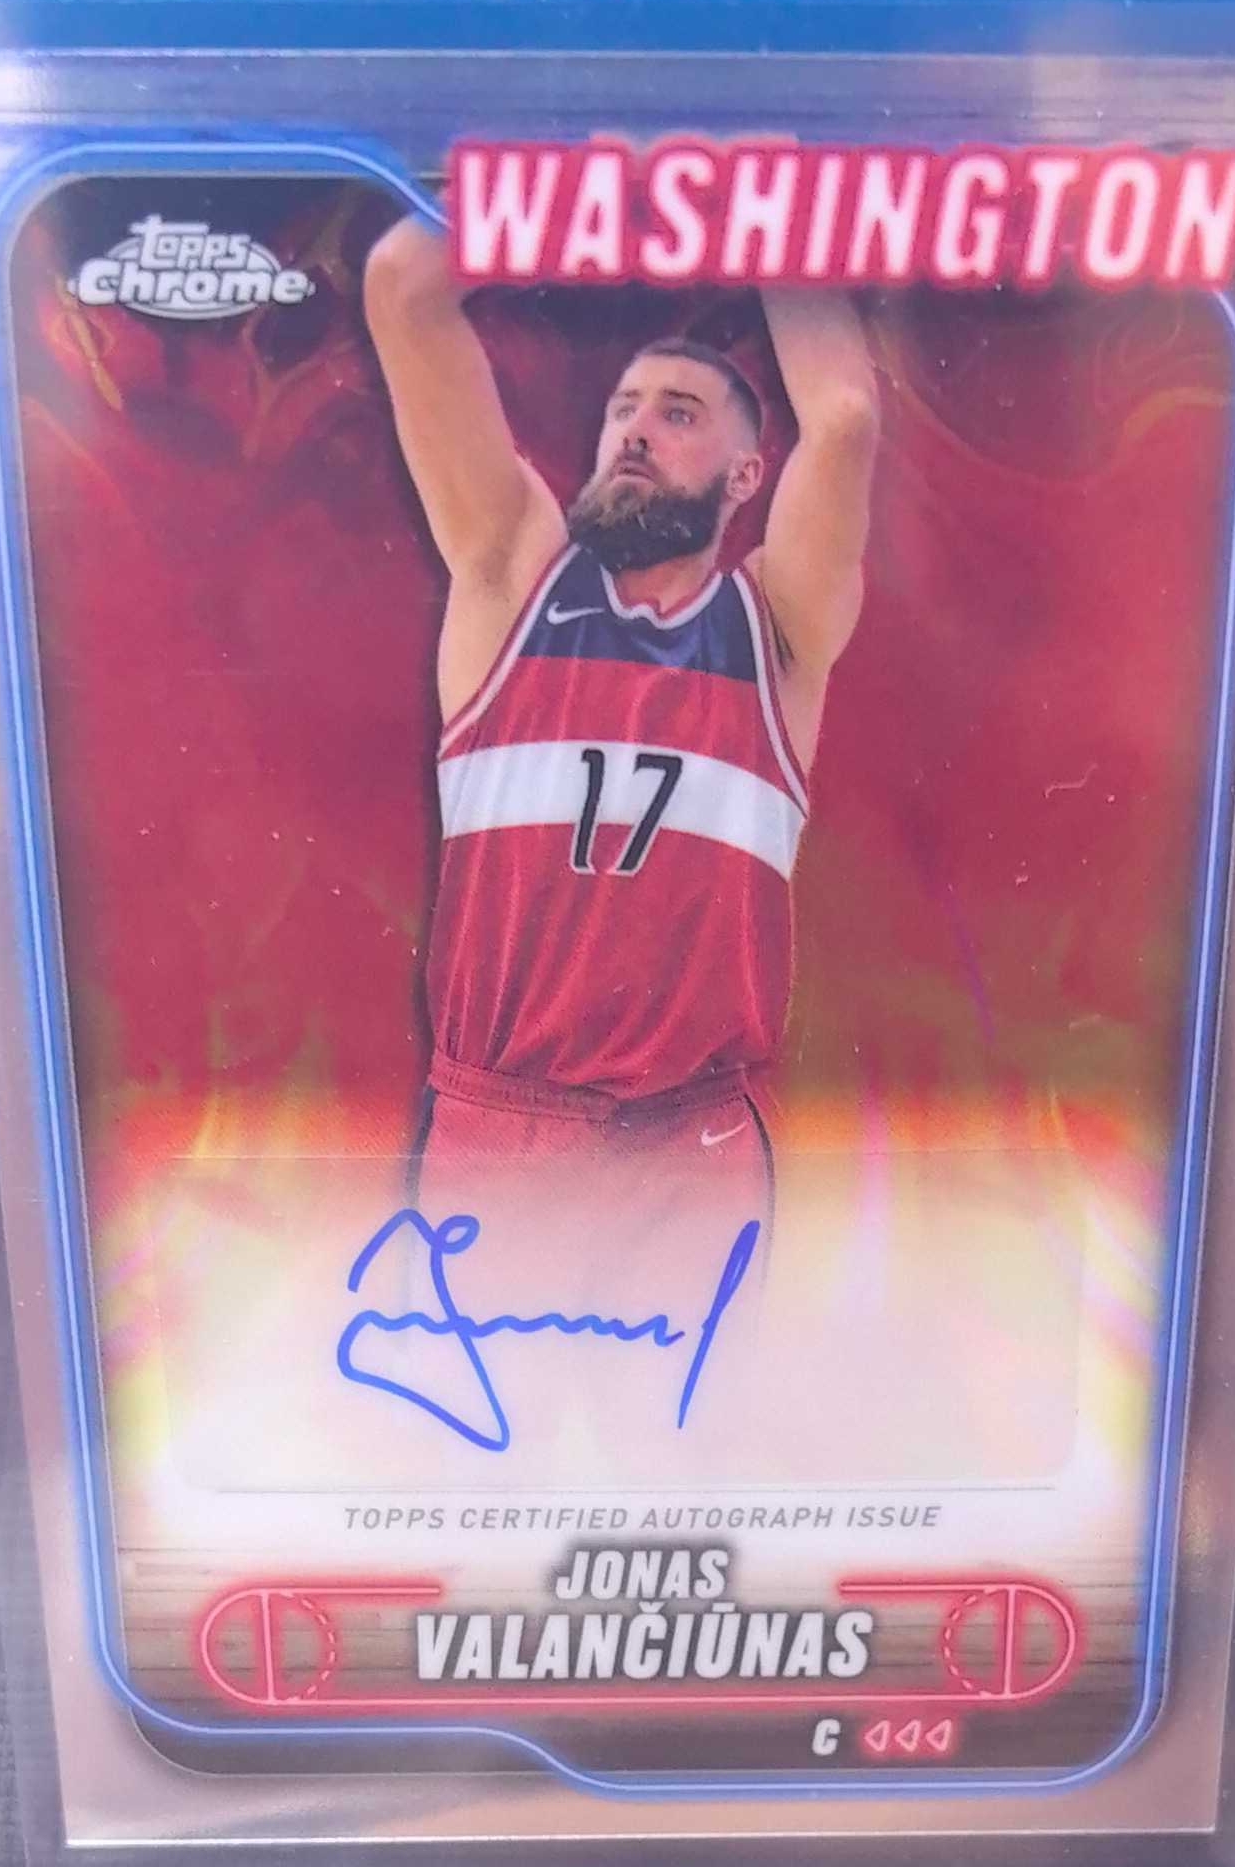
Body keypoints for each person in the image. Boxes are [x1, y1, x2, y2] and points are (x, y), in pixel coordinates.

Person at [357, 209, 878, 1380]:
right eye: (623, 409)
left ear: (748, 474)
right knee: (478, 1462)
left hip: (691, 1138)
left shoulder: (776, 630)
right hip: (501, 1125)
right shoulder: (510, 571)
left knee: (681, 1466)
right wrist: (592, 177)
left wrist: (755, 192)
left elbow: (844, 415)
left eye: (679, 414)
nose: (636, 429)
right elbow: (401, 284)